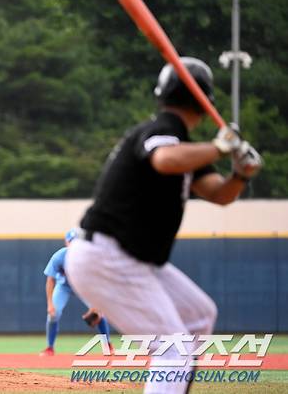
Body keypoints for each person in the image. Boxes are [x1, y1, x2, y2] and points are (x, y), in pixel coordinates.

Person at [66, 57, 262, 393]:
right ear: (204, 103)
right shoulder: (163, 130)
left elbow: (219, 194)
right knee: (175, 349)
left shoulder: (183, 144)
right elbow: (164, 159)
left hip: (128, 259)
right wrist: (219, 147)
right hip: (108, 256)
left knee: (200, 314)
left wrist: (239, 175)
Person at [40, 229, 112, 357]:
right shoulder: (59, 256)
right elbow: (50, 280)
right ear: (66, 242)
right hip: (64, 287)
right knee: (53, 314)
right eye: (71, 242)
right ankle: (50, 347)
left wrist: (97, 303)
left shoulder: (89, 257)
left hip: (85, 287)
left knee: (98, 312)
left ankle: (108, 345)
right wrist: (50, 304)